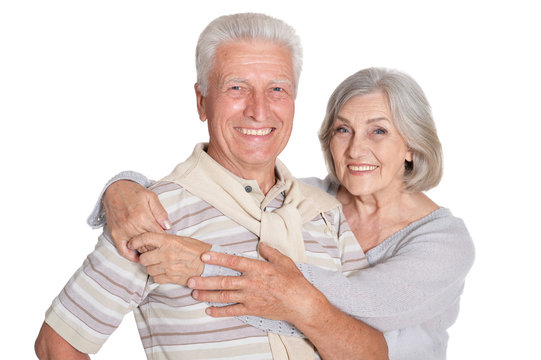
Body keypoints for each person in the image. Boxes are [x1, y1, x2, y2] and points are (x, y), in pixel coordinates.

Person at [34, 13, 388, 360]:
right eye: (236, 87)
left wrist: (303, 307)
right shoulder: (153, 214)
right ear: (202, 101)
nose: (259, 110)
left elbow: (375, 353)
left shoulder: (325, 212)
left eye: (277, 89)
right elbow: (57, 345)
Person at [94, 67, 475, 360]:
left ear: (412, 146)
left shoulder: (444, 241)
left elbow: (366, 305)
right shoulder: (306, 199)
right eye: (344, 130)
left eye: (378, 132)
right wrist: (123, 187)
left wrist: (202, 263)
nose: (357, 150)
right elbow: (214, 189)